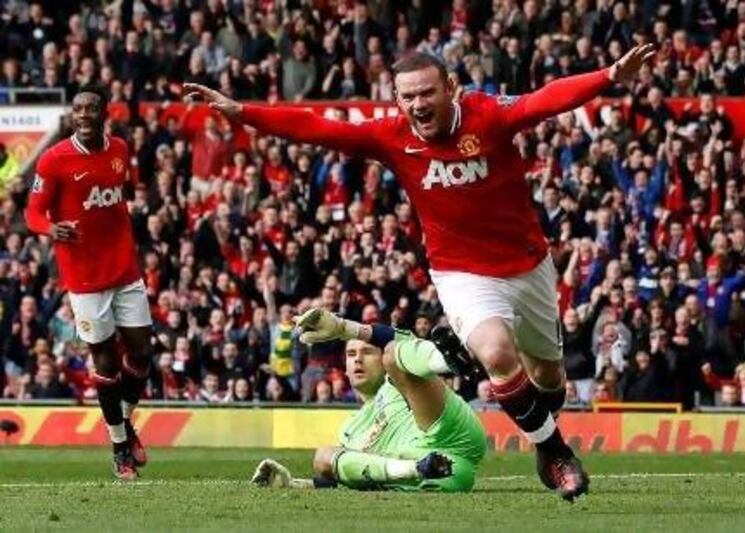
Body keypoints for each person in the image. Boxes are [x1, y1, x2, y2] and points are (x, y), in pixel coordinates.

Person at [184, 43, 654, 500]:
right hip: (462, 273)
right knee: (494, 353)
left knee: (549, 380)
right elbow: (315, 127)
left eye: (426, 93)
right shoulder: (390, 135)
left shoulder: (488, 115)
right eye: (407, 96)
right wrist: (242, 110)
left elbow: (543, 100)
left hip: (529, 265)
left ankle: (543, 434)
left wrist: (609, 76)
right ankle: (556, 453)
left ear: (451, 87)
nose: (417, 104)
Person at [24, 87, 154, 480]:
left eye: (91, 108)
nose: (84, 114)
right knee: (105, 360)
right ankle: (119, 448)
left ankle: (124, 422)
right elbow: (32, 212)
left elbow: (121, 194)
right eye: (78, 108)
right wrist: (51, 228)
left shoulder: (119, 150)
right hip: (84, 277)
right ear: (72, 115)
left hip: (125, 267)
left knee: (142, 352)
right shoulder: (54, 159)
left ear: (103, 113)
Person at [251, 307, 486, 493]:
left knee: (395, 353)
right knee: (323, 456)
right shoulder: (350, 429)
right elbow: (349, 476)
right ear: (344, 367)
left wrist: (344, 328)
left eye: (367, 353)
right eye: (351, 355)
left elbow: (402, 339)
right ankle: (418, 469)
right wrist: (293, 484)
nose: (358, 360)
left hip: (450, 433)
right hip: (438, 470)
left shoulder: (393, 382)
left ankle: (450, 361)